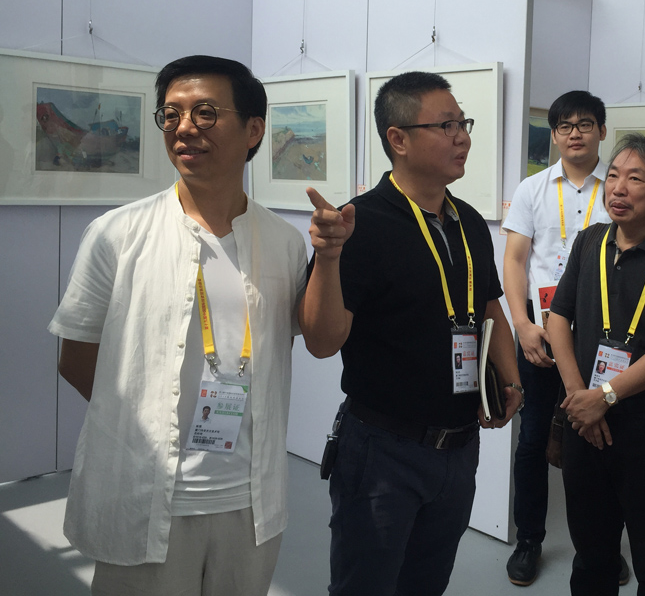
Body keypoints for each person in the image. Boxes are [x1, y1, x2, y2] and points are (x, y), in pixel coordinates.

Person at [50, 55, 308, 595]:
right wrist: (143, 417)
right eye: (171, 115)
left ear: (254, 130)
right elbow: (77, 359)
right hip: (143, 494)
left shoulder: (285, 243)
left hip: (249, 498)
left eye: (205, 112)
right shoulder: (116, 233)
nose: (184, 127)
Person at [299, 71, 522, 596]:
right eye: (446, 126)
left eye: (463, 124)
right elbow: (322, 342)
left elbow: (488, 303)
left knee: (427, 584)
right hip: (383, 450)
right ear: (398, 139)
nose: (462, 137)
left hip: (459, 446)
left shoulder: (468, 222)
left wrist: (511, 378)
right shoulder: (359, 223)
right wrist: (328, 257)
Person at [547, 134, 645, 596]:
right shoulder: (590, 241)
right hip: (583, 421)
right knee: (591, 554)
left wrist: (606, 396)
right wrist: (581, 399)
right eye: (613, 175)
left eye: (635, 178)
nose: (618, 187)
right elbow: (558, 318)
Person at [500, 90, 627, 587]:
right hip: (539, 333)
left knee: (604, 440)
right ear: (554, 135)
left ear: (601, 130)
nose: (575, 133)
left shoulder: (618, 188)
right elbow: (515, 261)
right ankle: (528, 539)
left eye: (585, 124)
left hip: (600, 337)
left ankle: (602, 547)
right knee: (532, 440)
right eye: (565, 126)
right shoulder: (532, 189)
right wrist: (522, 324)